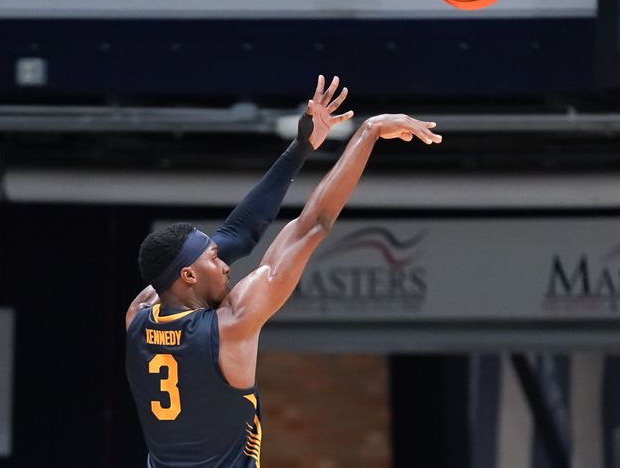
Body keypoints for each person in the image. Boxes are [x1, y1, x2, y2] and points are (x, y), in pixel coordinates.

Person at [125, 78, 442, 467]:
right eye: (214, 259)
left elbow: (236, 234)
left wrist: (301, 148)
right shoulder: (232, 325)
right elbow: (313, 225)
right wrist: (368, 132)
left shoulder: (138, 314)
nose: (225, 263)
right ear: (188, 276)